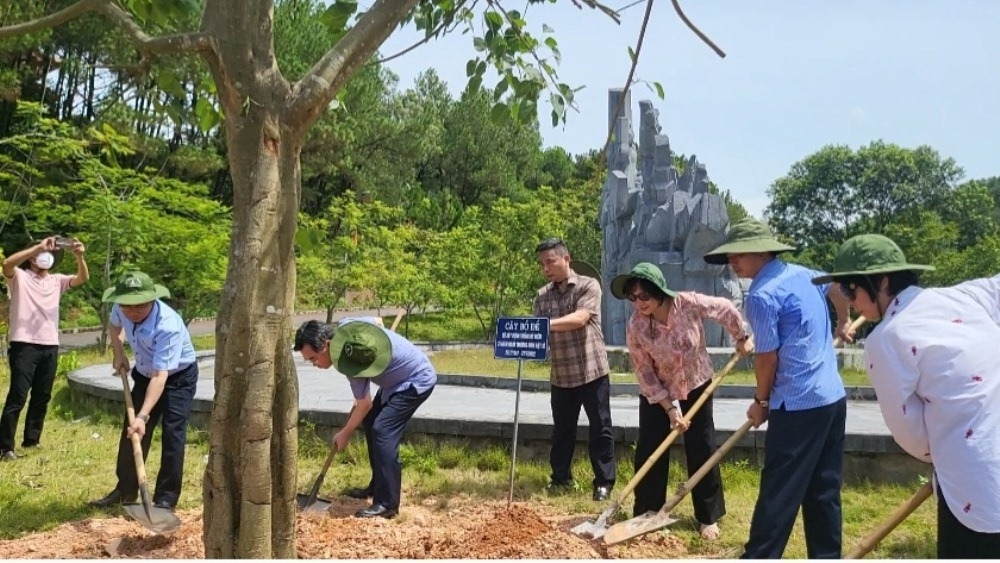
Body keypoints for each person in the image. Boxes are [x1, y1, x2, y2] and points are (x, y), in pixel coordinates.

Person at [813, 234, 1000, 558]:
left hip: (975, 478)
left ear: (881, 282)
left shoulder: (886, 338)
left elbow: (910, 434)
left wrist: (946, 447)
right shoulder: (967, 296)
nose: (849, 300)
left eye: (850, 289)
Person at [703, 218, 852, 559]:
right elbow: (839, 288)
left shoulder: (762, 294)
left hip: (798, 406)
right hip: (831, 398)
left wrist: (761, 401)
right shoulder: (802, 273)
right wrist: (842, 320)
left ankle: (759, 556)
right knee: (823, 489)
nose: (732, 261)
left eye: (737, 254)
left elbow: (766, 359)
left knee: (779, 492)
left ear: (762, 250)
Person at [610, 262, 754, 540]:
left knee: (702, 446)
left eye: (645, 296)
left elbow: (724, 307)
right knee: (651, 448)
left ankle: (707, 516)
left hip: (696, 382)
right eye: (633, 297)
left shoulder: (687, 303)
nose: (639, 303)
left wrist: (742, 336)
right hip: (657, 392)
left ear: (659, 291)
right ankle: (647, 513)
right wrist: (669, 408)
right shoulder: (636, 325)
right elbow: (644, 371)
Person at [294, 317, 436, 519]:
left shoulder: (348, 360)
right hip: (395, 381)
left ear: (326, 346)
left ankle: (387, 504)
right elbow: (377, 321)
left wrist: (344, 434)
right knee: (371, 421)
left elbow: (364, 404)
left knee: (382, 430)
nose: (314, 364)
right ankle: (378, 485)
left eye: (314, 358)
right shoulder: (347, 326)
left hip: (415, 379)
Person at [89, 271, 198, 511]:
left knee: (173, 433)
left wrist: (143, 416)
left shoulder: (167, 325)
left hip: (177, 377)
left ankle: (165, 499)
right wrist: (118, 353)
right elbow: (115, 325)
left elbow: (161, 377)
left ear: (152, 300)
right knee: (132, 433)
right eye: (128, 306)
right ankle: (125, 490)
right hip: (145, 370)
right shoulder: (121, 307)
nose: (133, 311)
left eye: (140, 306)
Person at [532, 238, 616, 501]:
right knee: (562, 431)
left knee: (600, 428)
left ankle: (603, 482)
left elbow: (580, 319)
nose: (546, 269)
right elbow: (536, 333)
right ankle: (560, 479)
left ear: (566, 259)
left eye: (550, 262)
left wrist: (545, 325)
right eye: (542, 264)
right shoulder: (542, 296)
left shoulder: (588, 286)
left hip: (592, 371)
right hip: (561, 375)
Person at [1, 236, 89, 461]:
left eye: (49, 252)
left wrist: (79, 256)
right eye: (41, 253)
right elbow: (7, 265)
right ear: (31, 258)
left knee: (42, 395)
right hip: (24, 344)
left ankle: (32, 439)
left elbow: (82, 278)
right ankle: (5, 447)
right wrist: (37, 247)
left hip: (50, 344)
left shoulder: (57, 281)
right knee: (18, 395)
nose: (45, 256)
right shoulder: (19, 277)